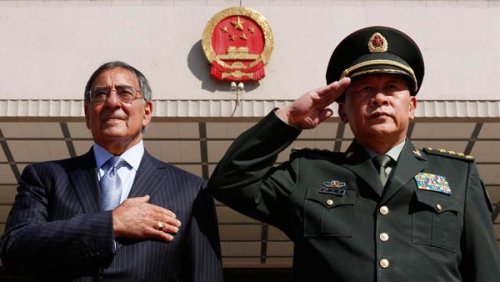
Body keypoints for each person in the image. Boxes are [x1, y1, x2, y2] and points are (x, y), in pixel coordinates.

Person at [208, 26, 500, 281]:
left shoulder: (458, 175)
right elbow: (230, 182)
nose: (379, 98)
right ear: (343, 111)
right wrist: (288, 119)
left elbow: (485, 271)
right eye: (365, 89)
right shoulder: (308, 173)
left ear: (411, 106)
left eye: (391, 87)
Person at [0, 61, 223, 281]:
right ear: (88, 115)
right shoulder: (46, 177)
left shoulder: (191, 191)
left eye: (125, 93)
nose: (112, 102)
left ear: (146, 112)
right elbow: (14, 248)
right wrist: (111, 224)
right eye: (100, 94)